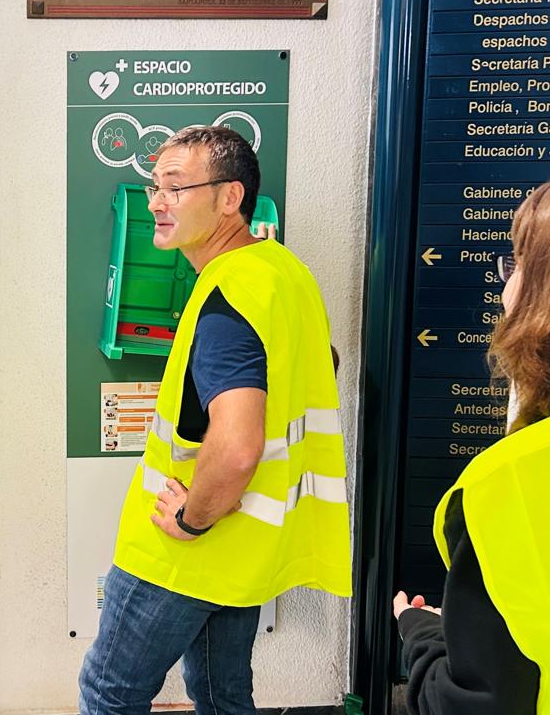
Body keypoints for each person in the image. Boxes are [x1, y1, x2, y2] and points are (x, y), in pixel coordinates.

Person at [79, 126, 350, 715]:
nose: (155, 202)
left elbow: (235, 449)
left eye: (175, 188)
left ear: (230, 198)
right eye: (154, 187)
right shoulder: (281, 270)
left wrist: (191, 519)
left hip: (189, 551)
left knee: (109, 691)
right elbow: (317, 365)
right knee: (222, 695)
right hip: (244, 548)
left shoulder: (228, 299)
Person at [394, 167, 550, 715]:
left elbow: (474, 702)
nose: (505, 286)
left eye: (520, 264)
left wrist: (423, 636)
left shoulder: (512, 481)